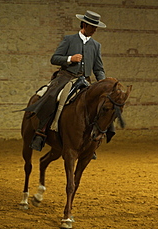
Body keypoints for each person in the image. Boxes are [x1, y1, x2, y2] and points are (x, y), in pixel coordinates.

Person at [25, 10, 108, 151]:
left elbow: (98, 69)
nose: (95, 30)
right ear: (84, 24)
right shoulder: (69, 40)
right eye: (93, 26)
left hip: (85, 81)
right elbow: (54, 58)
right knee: (51, 97)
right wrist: (70, 59)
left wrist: (104, 84)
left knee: (100, 105)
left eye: (96, 27)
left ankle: (91, 141)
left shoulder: (96, 46)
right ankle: (41, 131)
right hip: (65, 77)